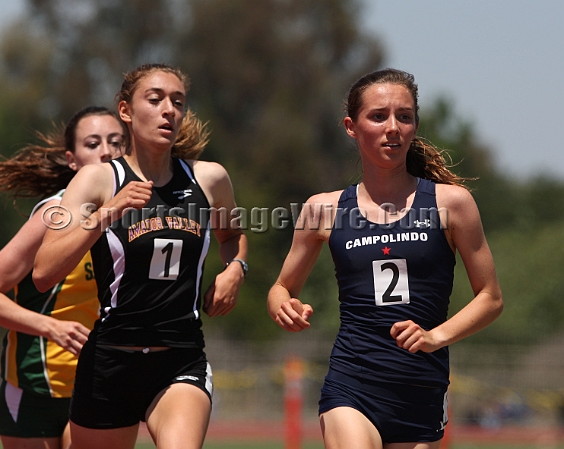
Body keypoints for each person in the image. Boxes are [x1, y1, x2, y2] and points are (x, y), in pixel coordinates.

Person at [267, 68, 503, 448]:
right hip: (352, 381)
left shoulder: (452, 204)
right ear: (351, 126)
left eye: (404, 116)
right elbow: (281, 286)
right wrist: (283, 305)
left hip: (421, 390)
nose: (393, 127)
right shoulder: (323, 209)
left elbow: (491, 298)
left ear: (414, 126)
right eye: (379, 116)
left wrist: (434, 336)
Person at [33, 63, 248, 449]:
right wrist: (108, 213)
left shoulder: (209, 179)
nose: (169, 110)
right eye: (156, 99)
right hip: (109, 362)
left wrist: (236, 268)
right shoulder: (97, 181)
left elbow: (233, 234)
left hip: (179, 360)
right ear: (126, 111)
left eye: (178, 102)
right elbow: (44, 272)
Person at [0, 105, 127, 449]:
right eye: (93, 143)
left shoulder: (135, 215)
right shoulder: (54, 215)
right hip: (36, 387)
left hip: (98, 382)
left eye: (116, 141)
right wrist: (50, 326)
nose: (106, 151)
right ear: (72, 160)